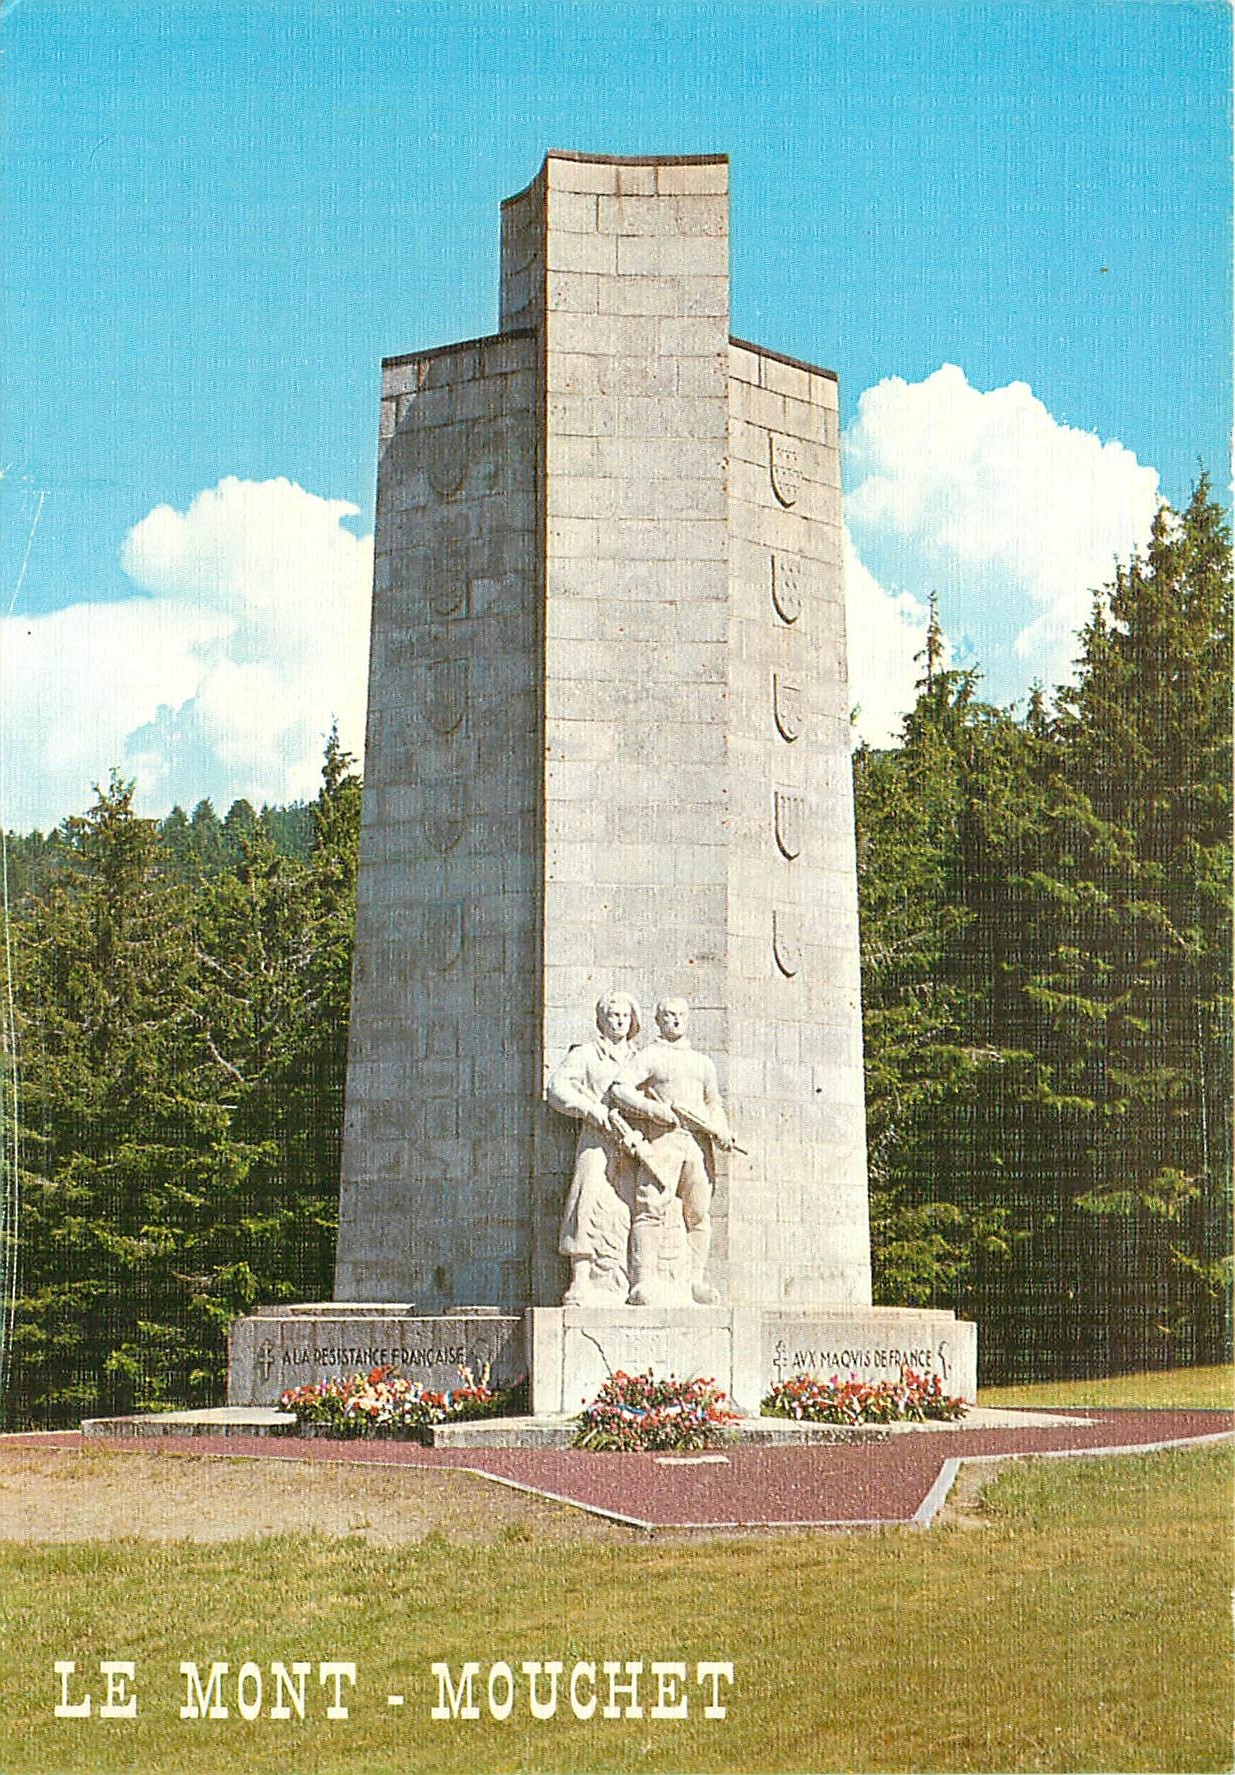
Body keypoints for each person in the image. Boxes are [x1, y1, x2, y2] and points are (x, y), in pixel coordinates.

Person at [613, 997, 736, 1305]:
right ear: (659, 1020)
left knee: (698, 1212)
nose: (676, 1020)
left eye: (681, 1015)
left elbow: (713, 1103)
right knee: (650, 1206)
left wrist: (720, 1129)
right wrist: (652, 1110)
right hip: (663, 1140)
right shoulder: (650, 1055)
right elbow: (620, 1088)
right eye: (669, 1015)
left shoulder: (702, 1062)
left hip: (697, 1143)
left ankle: (695, 1279)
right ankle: (643, 1280)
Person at [547, 990, 643, 1305]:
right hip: (597, 1138)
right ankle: (581, 1278)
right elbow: (558, 1088)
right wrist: (589, 1110)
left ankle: (631, 1279)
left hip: (631, 1143)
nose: (619, 1021)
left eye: (624, 1016)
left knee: (629, 1208)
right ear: (601, 1019)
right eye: (613, 1015)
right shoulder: (587, 1054)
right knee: (584, 1203)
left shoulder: (640, 1057)